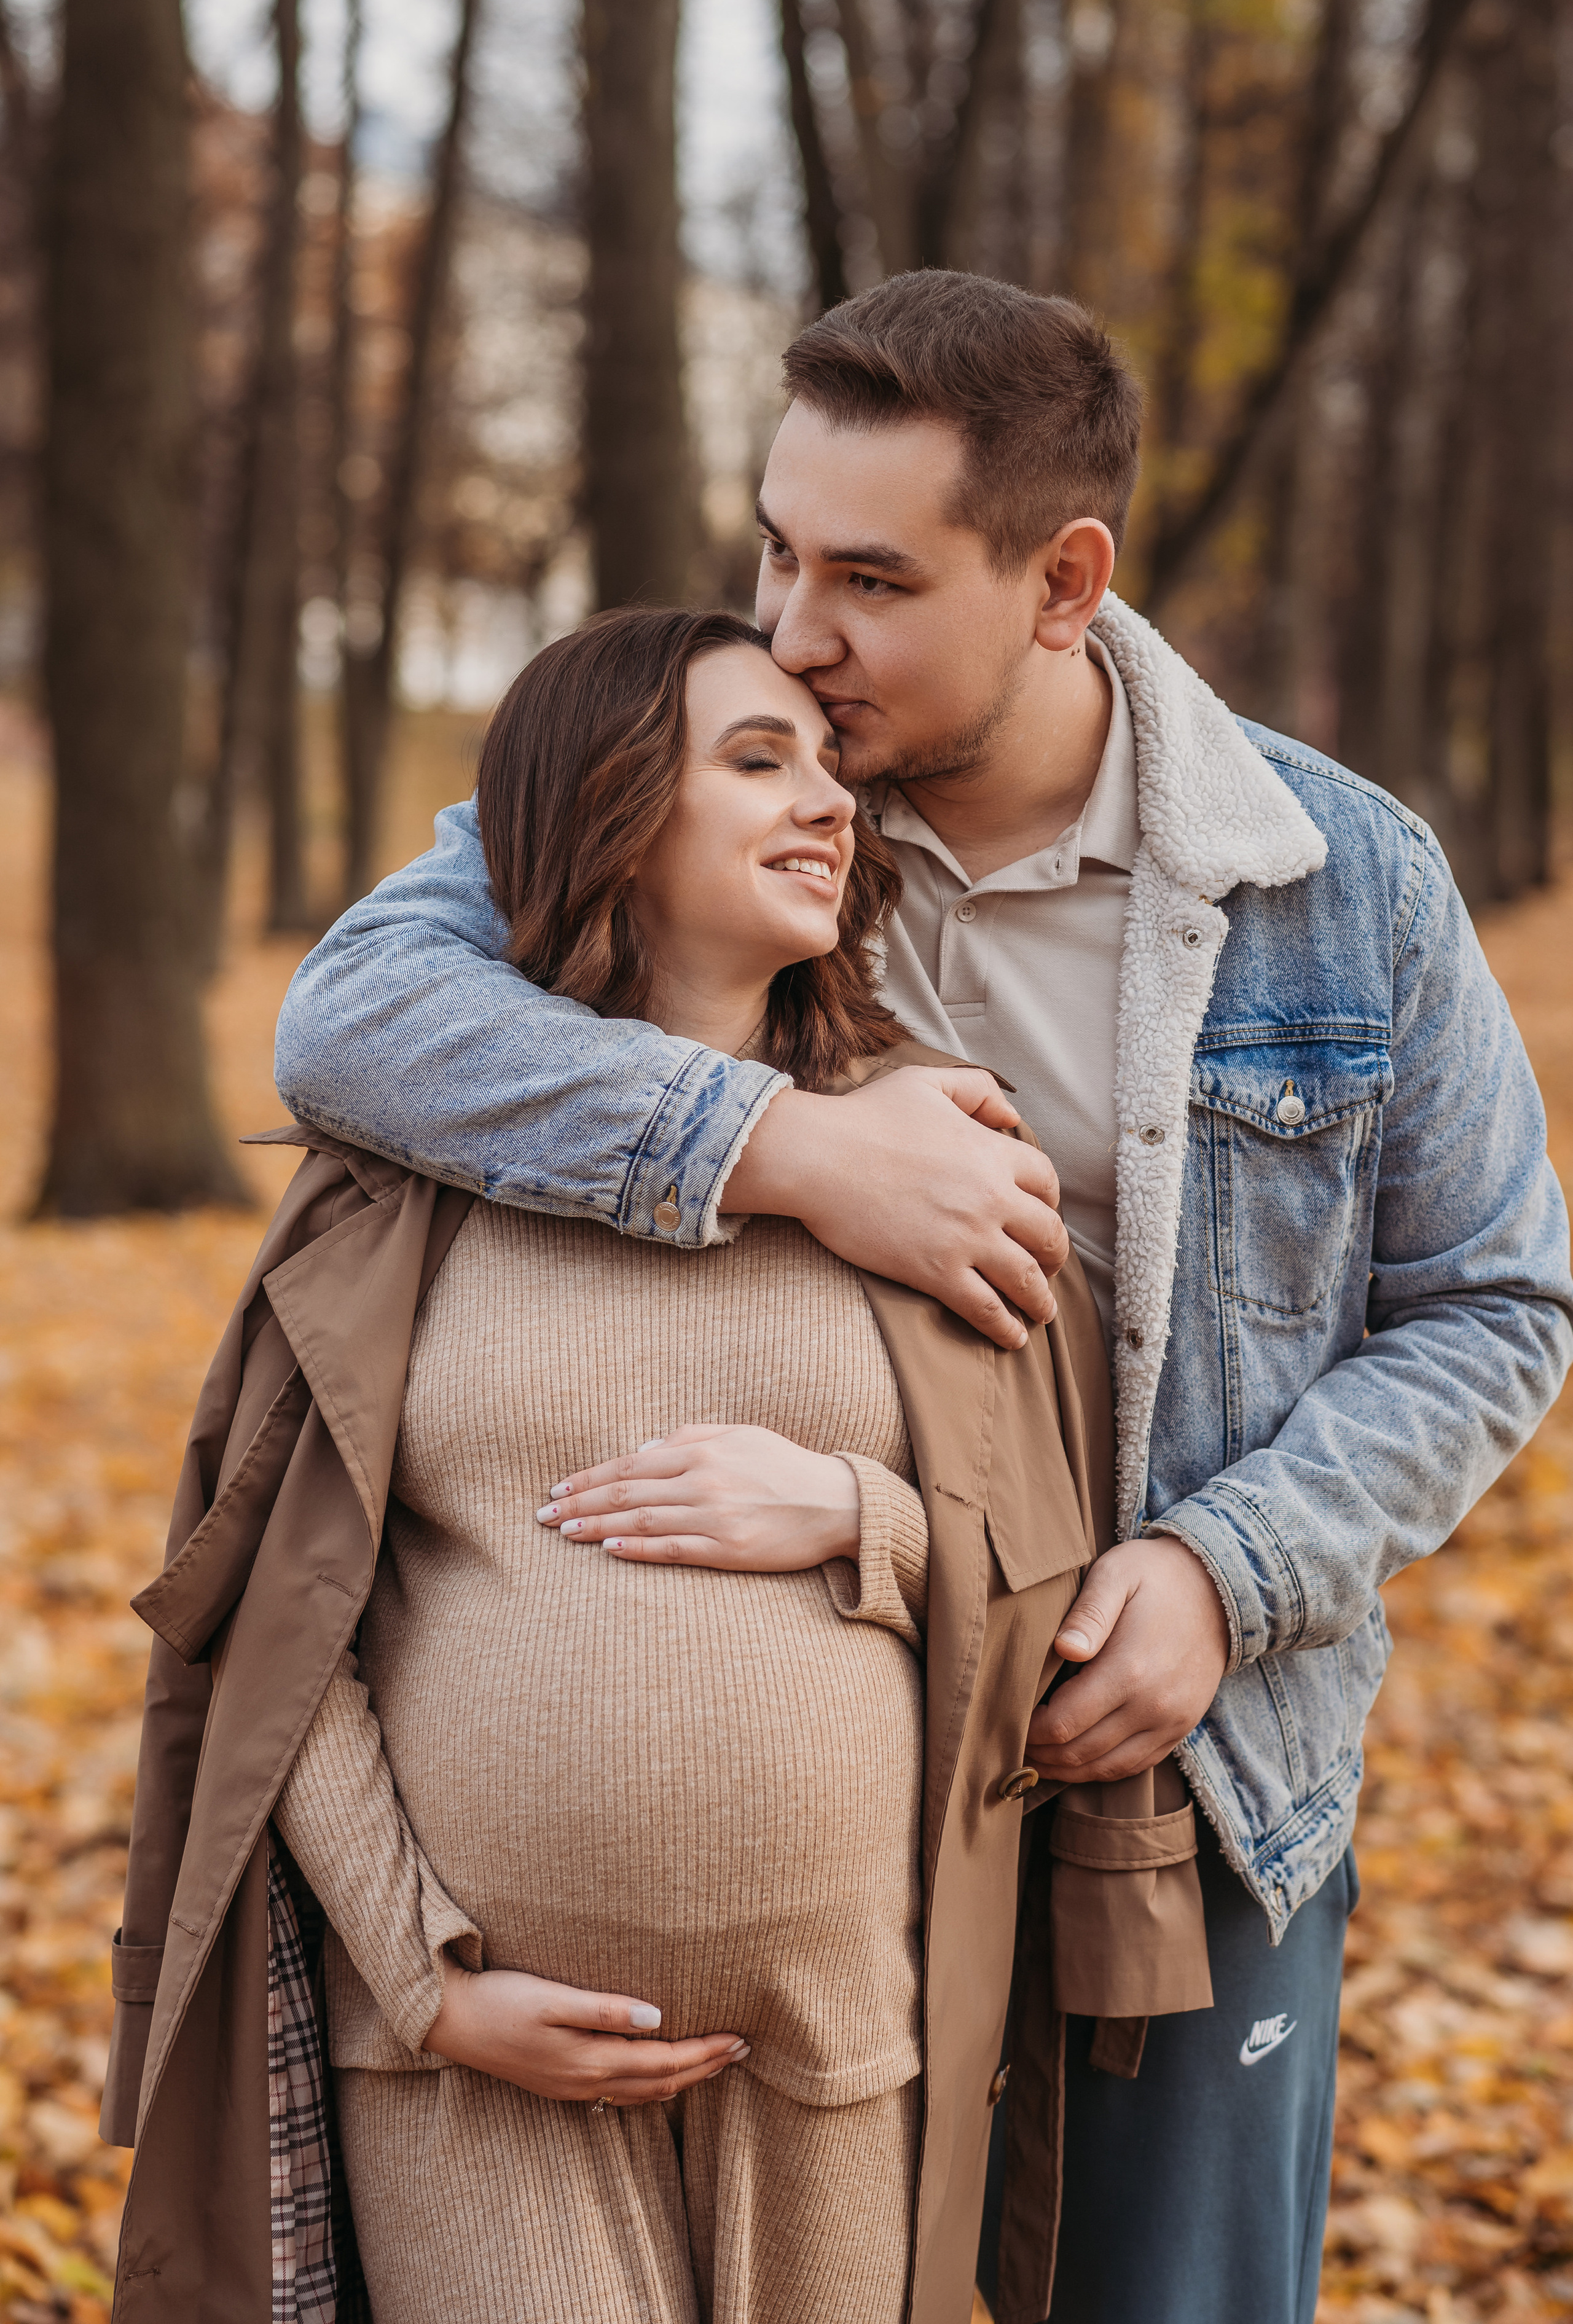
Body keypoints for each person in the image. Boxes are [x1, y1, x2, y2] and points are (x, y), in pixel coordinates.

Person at [273, 275, 1573, 2323]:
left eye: (872, 579)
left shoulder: (1341, 878)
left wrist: (1228, 1573)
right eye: (778, 548)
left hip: (1172, 1776)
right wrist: (779, 1146)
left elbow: (1495, 1303)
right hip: (840, 1844)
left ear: (1065, 582)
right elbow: (356, 1015)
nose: (796, 627)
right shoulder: (709, 782)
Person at [103, 604, 1210, 2324]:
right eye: (757, 761)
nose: (830, 798)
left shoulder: (937, 1149)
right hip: (479, 2069)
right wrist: (421, 1980)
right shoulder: (410, 1178)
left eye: (832, 762)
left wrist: (862, 1520)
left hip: (847, 2042)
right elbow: (282, 1617)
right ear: (612, 807)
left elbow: (1046, 1582)